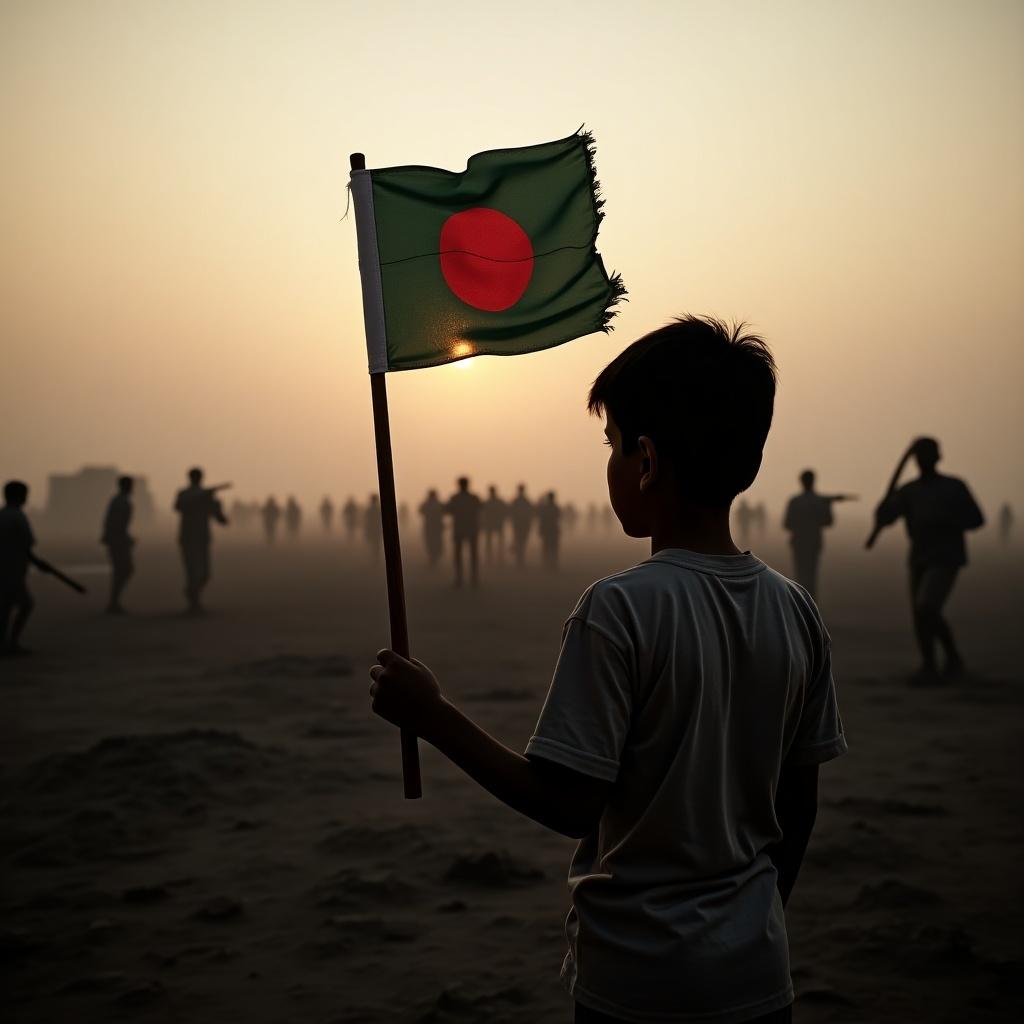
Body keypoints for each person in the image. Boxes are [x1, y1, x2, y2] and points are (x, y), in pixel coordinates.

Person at [368, 316, 845, 1024]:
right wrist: (760, 915)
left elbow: (565, 802)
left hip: (638, 980)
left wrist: (432, 715)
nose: (612, 463)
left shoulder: (620, 608)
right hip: (758, 974)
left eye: (612, 445)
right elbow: (797, 805)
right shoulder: (796, 609)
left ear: (646, 461)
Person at [871, 437, 984, 681]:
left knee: (927, 607)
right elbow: (887, 516)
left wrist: (946, 522)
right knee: (919, 613)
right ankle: (929, 664)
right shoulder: (910, 491)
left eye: (928, 455)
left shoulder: (954, 487)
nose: (924, 461)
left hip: (946, 557)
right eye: (920, 456)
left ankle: (953, 658)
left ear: (938, 457)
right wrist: (883, 512)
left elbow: (976, 519)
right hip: (919, 556)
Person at [782, 470, 855, 600]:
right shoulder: (820, 501)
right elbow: (828, 522)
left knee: (800, 571)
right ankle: (811, 601)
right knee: (812, 571)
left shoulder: (794, 501)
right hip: (814, 540)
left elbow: (787, 524)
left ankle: (800, 599)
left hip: (798, 541)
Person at [173, 468, 228, 614]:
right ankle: (194, 603)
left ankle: (192, 595)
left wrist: (215, 505)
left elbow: (219, 517)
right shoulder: (184, 494)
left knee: (204, 573)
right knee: (192, 571)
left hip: (202, 537)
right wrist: (201, 497)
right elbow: (178, 506)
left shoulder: (205, 496)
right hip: (188, 537)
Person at [1, 481, 39, 654]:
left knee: (6, 607)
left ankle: (6, 644)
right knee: (25, 604)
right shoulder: (17, 516)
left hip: (6, 569)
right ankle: (11, 644)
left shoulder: (3, 515)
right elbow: (27, 543)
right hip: (12, 571)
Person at [100, 475, 134, 613]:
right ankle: (114, 602)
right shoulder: (121, 502)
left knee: (122, 570)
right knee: (124, 569)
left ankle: (114, 601)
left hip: (118, 538)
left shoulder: (119, 501)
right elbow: (116, 522)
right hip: (118, 540)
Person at [445, 477, 482, 587]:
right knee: (473, 554)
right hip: (471, 528)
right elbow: (480, 509)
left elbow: (447, 510)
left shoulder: (455, 498)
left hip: (460, 528)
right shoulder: (474, 498)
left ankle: (459, 578)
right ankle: (474, 579)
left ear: (459, 485)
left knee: (458, 554)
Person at [508, 484, 535, 567]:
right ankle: (520, 560)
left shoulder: (516, 501)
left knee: (519, 541)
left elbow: (511, 513)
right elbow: (530, 513)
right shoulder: (526, 501)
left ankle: (519, 560)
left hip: (519, 524)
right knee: (522, 542)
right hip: (523, 524)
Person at [418, 489, 445, 567]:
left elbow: (420, 511)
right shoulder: (438, 503)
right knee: (435, 542)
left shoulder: (427, 503)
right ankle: (434, 557)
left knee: (430, 542)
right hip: (436, 526)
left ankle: (433, 557)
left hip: (430, 526)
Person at [481, 485, 508, 564]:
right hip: (496, 523)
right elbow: (504, 512)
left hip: (492, 524)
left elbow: (483, 514)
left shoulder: (487, 502)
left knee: (491, 542)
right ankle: (497, 558)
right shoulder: (498, 501)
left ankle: (492, 558)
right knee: (497, 542)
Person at [537, 491, 562, 569]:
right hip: (552, 529)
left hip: (548, 529)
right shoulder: (555, 507)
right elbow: (558, 518)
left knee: (547, 548)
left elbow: (542, 519)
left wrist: (541, 529)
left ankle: (547, 564)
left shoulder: (545, 508)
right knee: (553, 548)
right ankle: (552, 565)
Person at [364, 494, 382, 563]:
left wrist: (367, 529)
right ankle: (376, 557)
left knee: (375, 543)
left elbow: (367, 520)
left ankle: (375, 558)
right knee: (376, 544)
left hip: (374, 528)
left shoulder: (370, 509)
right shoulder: (379, 509)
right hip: (377, 528)